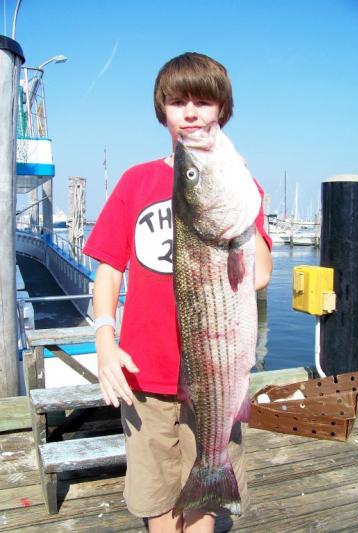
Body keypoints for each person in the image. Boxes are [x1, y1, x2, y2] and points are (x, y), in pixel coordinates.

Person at [83, 52, 272, 533]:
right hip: (143, 376)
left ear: (222, 112)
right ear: (162, 110)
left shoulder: (241, 186)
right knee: (158, 498)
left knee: (205, 494)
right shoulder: (135, 181)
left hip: (218, 380)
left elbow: (260, 275)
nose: (190, 112)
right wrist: (105, 339)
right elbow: (109, 268)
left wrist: (243, 206)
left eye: (203, 102)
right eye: (178, 101)